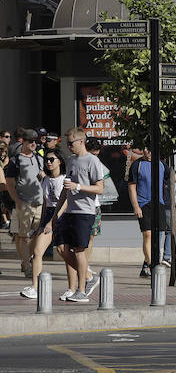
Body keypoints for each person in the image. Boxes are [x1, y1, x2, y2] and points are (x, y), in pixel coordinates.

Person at [128, 146, 176, 277]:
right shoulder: (137, 165)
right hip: (143, 204)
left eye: (150, 149)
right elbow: (132, 187)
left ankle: (150, 264)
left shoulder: (161, 165)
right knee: (147, 235)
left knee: (158, 235)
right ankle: (152, 265)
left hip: (159, 204)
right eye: (145, 149)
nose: (147, 152)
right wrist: (136, 206)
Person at [54, 128, 104, 303]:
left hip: (85, 211)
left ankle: (81, 291)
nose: (68, 146)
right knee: (61, 248)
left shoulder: (93, 161)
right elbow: (65, 189)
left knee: (79, 251)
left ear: (81, 142)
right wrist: (56, 213)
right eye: (67, 143)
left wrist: (78, 187)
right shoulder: (70, 160)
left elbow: (100, 188)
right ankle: (90, 276)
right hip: (69, 211)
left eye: (71, 143)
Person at [20, 152, 67, 299]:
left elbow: (66, 202)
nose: (48, 162)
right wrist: (40, 225)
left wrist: (52, 222)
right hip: (49, 215)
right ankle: (35, 287)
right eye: (46, 160)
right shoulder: (45, 180)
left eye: (52, 159)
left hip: (62, 215)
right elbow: (46, 203)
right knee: (37, 252)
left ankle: (88, 275)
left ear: (60, 161)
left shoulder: (64, 179)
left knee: (64, 252)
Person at [4, 129, 43, 280]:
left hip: (39, 202)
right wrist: (18, 201)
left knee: (36, 236)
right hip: (23, 203)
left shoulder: (39, 158)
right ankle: (26, 265)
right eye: (30, 141)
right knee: (21, 236)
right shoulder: (16, 161)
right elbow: (9, 184)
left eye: (35, 141)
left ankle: (28, 259)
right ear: (23, 142)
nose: (34, 143)